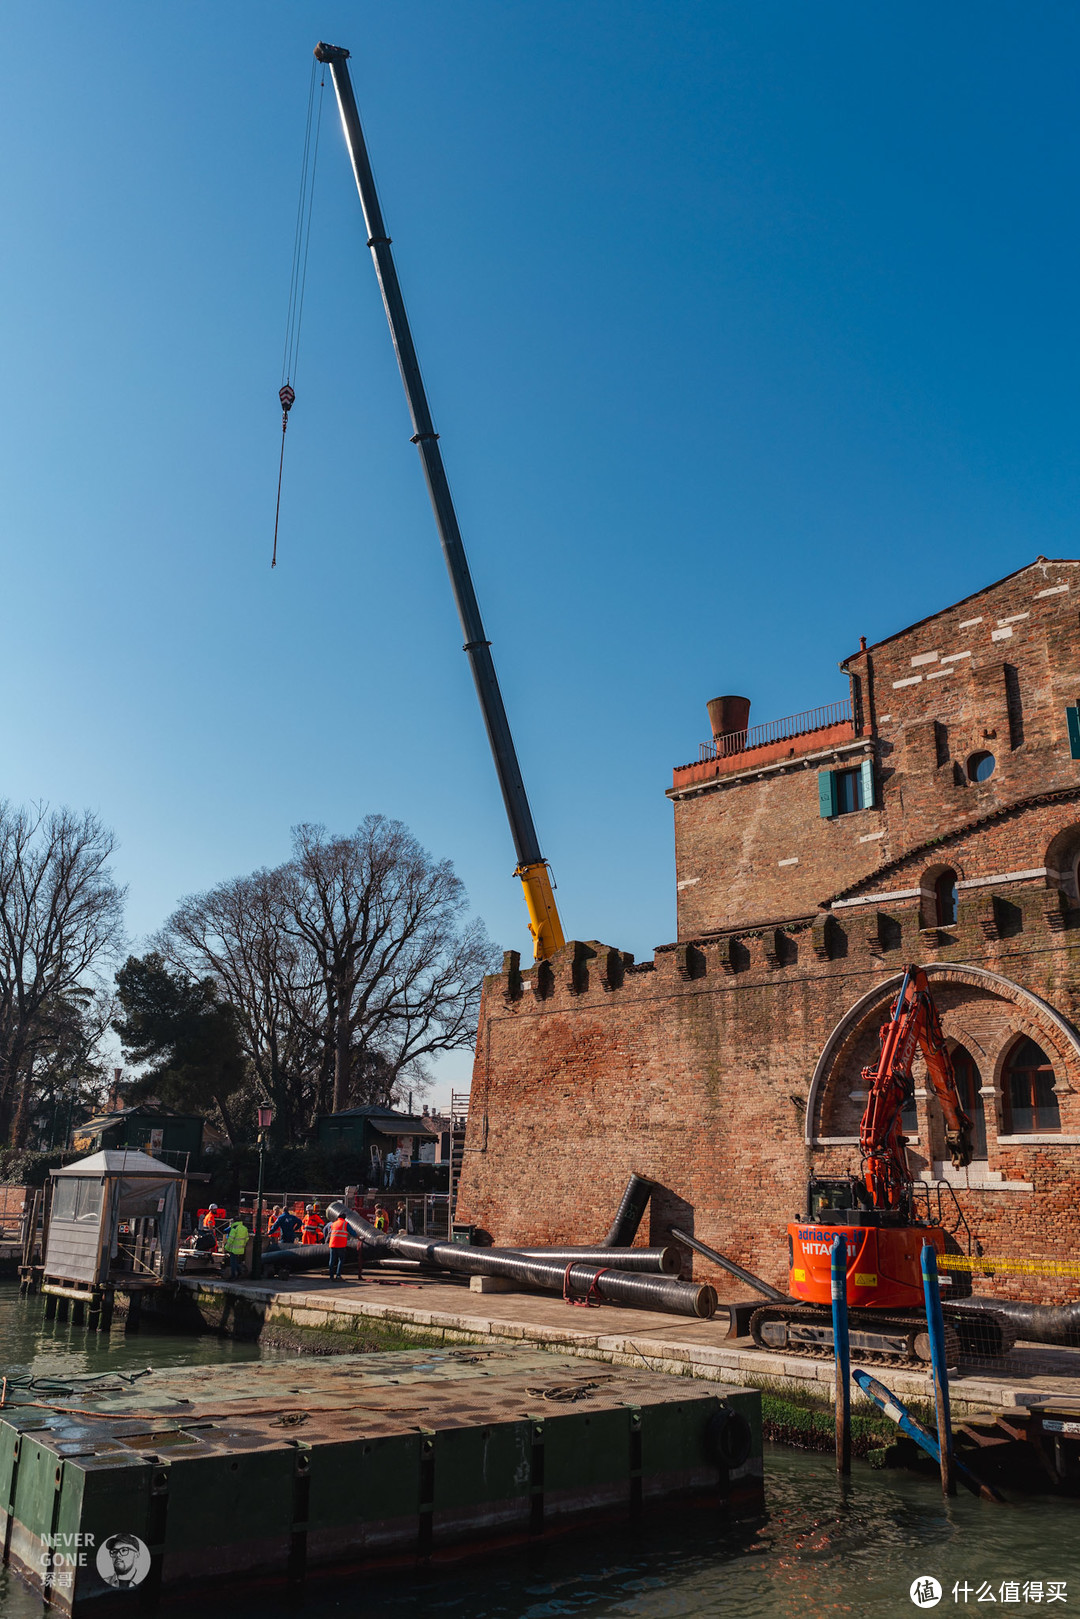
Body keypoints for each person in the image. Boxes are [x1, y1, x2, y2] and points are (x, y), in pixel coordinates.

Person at [223, 1212, 250, 1279]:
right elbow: (247, 1238)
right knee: (237, 1261)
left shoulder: (234, 1228)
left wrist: (226, 1247)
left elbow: (230, 1239)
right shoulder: (244, 1228)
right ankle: (240, 1272)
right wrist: (242, 1244)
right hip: (241, 1248)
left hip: (233, 1248)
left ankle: (233, 1275)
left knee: (233, 1262)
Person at [327, 1212, 350, 1281]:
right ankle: (338, 1275)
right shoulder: (345, 1223)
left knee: (332, 1260)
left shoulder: (333, 1224)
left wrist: (326, 1241)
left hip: (332, 1244)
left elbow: (329, 1233)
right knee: (341, 1259)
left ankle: (331, 1276)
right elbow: (352, 1232)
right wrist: (358, 1237)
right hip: (341, 1245)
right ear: (344, 1218)